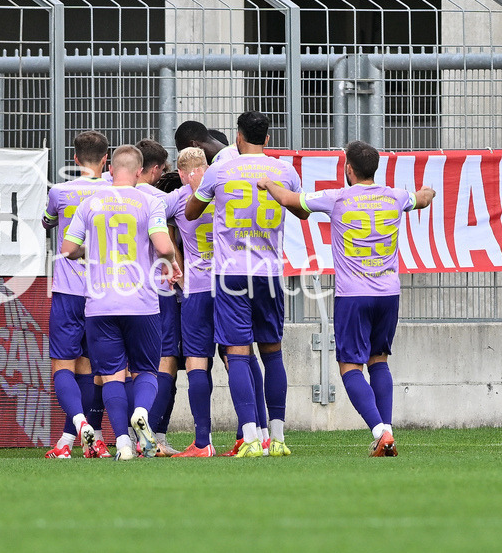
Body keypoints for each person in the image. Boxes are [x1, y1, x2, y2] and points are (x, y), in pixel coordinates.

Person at [259, 140, 435, 457]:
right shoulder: (395, 196)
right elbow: (421, 199)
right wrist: (428, 192)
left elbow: (287, 199)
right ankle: (388, 432)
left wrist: (267, 182)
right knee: (379, 361)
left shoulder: (338, 198)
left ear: (348, 169)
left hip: (354, 295)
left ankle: (380, 432)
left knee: (350, 366)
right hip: (388, 293)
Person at [185, 111, 306, 458]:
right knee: (272, 353)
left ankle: (251, 438)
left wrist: (203, 192)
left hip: (231, 272)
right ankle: (277, 439)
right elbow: (302, 211)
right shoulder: (284, 170)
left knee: (237, 354)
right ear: (267, 139)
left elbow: (192, 213)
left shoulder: (220, 170)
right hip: (268, 272)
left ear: (238, 137)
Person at [61, 145, 178, 460]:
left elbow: (68, 247)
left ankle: (123, 444)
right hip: (141, 304)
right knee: (146, 372)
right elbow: (163, 244)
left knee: (112, 374)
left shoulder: (90, 203)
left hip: (100, 304)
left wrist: (94, 255)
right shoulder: (148, 201)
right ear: (139, 173)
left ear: (110, 170)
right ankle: (141, 411)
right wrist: (170, 262)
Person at [42, 130, 111, 459]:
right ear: (105, 160)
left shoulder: (59, 191)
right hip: (103, 292)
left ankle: (79, 425)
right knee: (88, 367)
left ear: (74, 159)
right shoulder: (115, 192)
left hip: (68, 292)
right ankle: (74, 440)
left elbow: (47, 222)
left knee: (62, 366)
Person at [163, 147, 217, 457]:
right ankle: (254, 435)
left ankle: (202, 441)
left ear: (182, 173)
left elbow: (153, 221)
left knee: (197, 361)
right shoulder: (224, 189)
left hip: (196, 288)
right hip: (231, 284)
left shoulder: (180, 197)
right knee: (240, 357)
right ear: (206, 166)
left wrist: (174, 262)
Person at [135, 139, 182, 457]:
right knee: (166, 360)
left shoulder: (106, 196)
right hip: (159, 289)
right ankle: (156, 437)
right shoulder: (157, 200)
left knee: (120, 367)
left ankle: (116, 436)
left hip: (116, 290)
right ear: (154, 169)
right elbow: (165, 243)